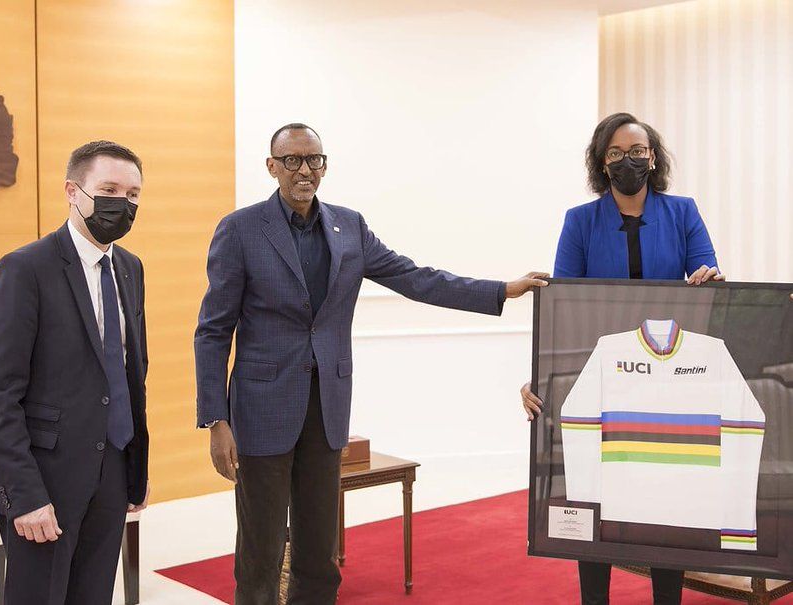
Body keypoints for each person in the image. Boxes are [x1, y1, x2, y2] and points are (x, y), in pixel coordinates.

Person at [195, 122, 548, 605]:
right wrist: (216, 419)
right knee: (260, 550)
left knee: (320, 551)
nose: (305, 169)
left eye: (314, 159)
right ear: (271, 167)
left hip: (327, 408)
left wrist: (500, 290)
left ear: (325, 165)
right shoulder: (240, 230)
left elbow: (415, 277)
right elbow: (213, 330)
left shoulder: (349, 227)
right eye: (293, 160)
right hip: (260, 411)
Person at [521, 113, 724, 605]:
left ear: (653, 157)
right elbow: (563, 307)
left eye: (637, 150)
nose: (627, 160)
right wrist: (538, 379)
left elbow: (709, 282)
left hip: (668, 380)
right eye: (615, 152)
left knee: (663, 499)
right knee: (595, 496)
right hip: (604, 380)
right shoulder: (580, 221)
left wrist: (709, 282)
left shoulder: (683, 211)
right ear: (601, 162)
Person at [0, 141, 151, 605]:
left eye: (133, 194)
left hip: (111, 468)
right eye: (109, 189)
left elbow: (132, 374)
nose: (123, 203)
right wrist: (26, 494)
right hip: (44, 476)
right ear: (74, 191)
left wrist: (134, 467)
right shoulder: (23, 269)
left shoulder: (130, 269)